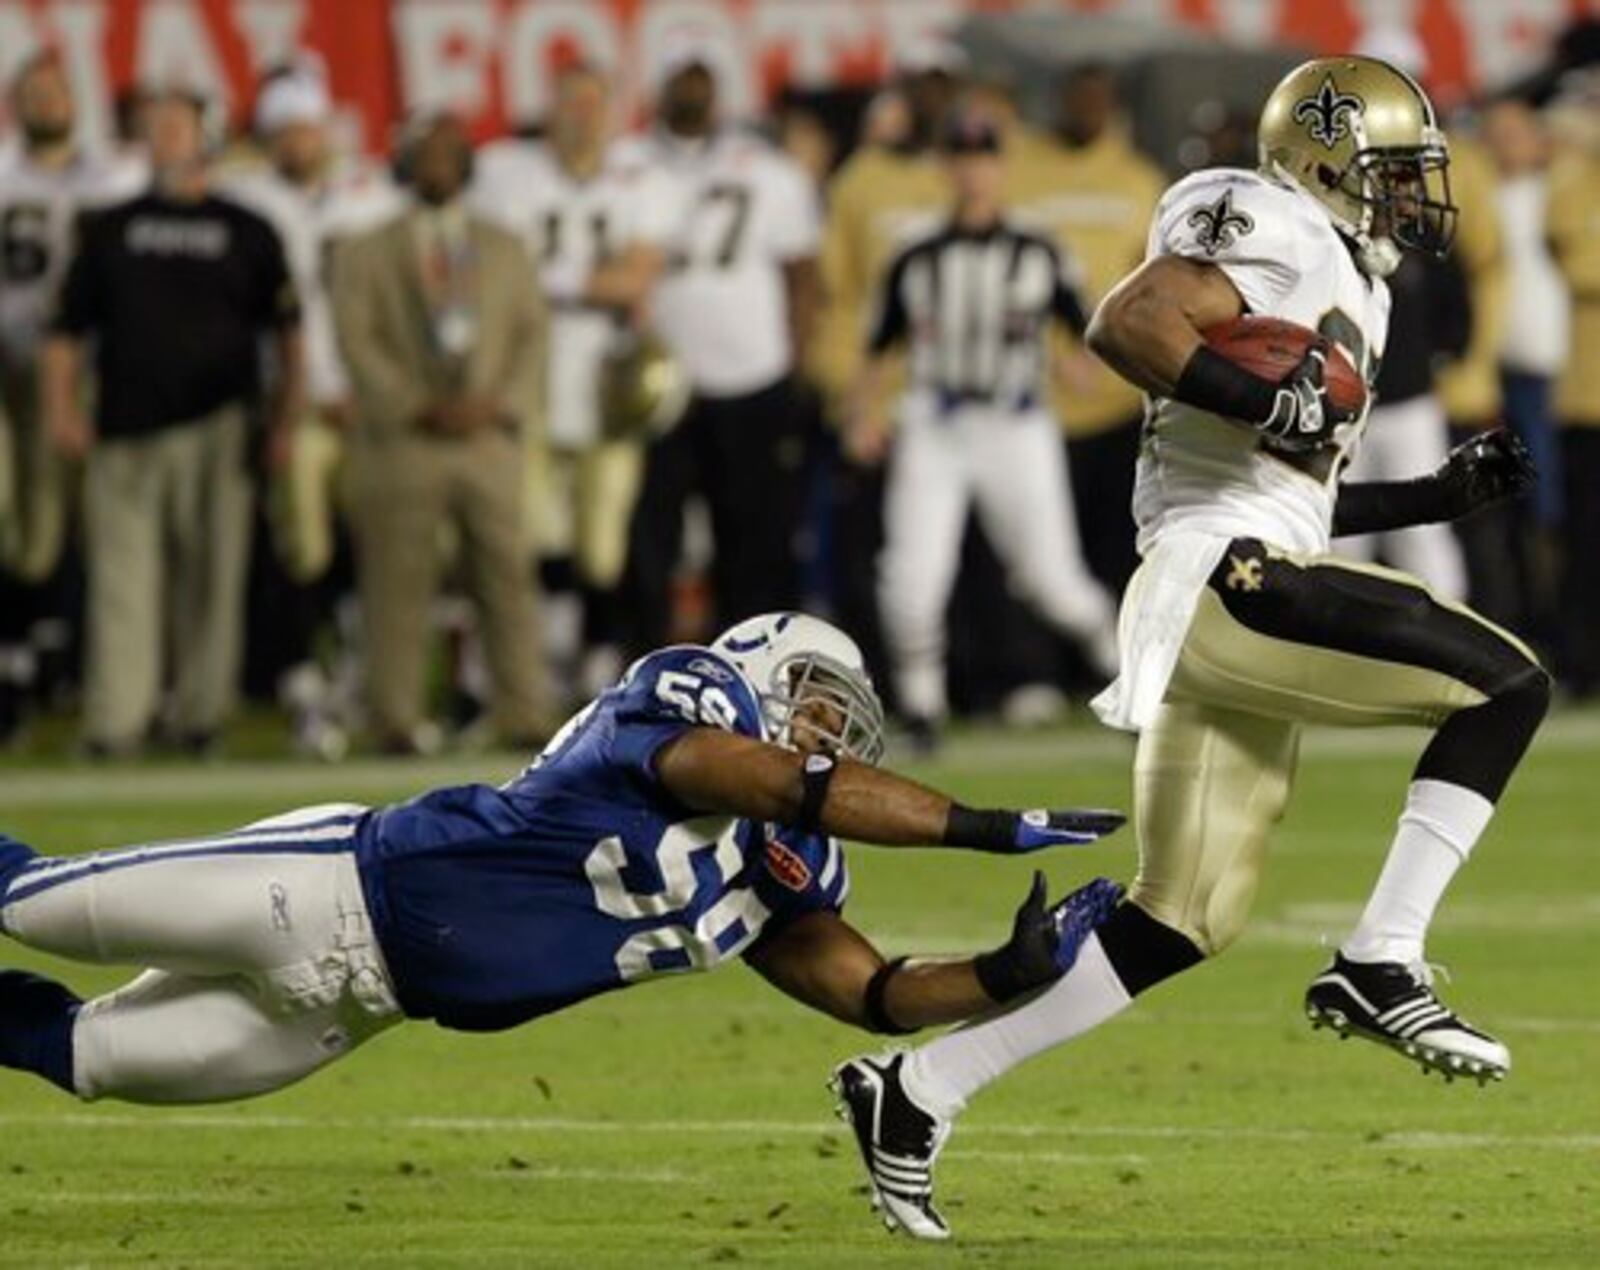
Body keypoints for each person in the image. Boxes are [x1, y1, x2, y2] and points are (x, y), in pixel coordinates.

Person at [830, 56, 1548, 1241]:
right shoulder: (1265, 216)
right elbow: (1130, 321)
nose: (1414, 197)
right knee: (1506, 684)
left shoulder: (1345, 284)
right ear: (1325, 164)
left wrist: (1430, 495)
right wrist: (1268, 401)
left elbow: (1297, 490)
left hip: (1234, 576)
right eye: (1391, 173)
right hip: (1225, 586)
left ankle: (917, 1091)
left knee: (1181, 916)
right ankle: (1382, 955)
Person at [0, 612, 1124, 1112]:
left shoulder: (776, 872)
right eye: (821, 710)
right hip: (321, 889)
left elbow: (873, 995)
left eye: (844, 728)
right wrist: (980, 826)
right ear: (764, 673)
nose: (829, 739)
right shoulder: (685, 700)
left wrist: (1001, 972)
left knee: (85, 1058)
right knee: (27, 902)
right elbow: (777, 781)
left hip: (355, 1008)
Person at [42, 86, 302, 758]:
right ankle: (116, 721)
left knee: (211, 580)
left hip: (221, 424)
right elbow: (66, 331)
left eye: (178, 127)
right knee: (122, 583)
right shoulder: (110, 228)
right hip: (125, 425)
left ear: (206, 137)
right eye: (154, 128)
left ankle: (200, 716)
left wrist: (285, 421)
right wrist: (61, 408)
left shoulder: (249, 229)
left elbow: (288, 335)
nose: (164, 139)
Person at [844, 111, 1118, 748]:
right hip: (936, 423)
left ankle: (1120, 672)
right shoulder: (915, 252)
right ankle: (922, 707)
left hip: (1017, 424)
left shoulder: (1039, 248)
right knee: (913, 577)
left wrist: (1082, 369)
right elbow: (878, 345)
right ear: (944, 166)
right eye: (960, 157)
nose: (972, 170)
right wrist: (862, 413)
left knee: (1055, 581)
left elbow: (1085, 328)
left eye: (983, 156)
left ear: (1001, 165)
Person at [333, 112, 548, 754]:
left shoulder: (505, 245)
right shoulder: (365, 248)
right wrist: (413, 404)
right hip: (405, 440)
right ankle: (393, 718)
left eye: (448, 153)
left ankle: (525, 713)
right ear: (401, 163)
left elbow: (533, 335)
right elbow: (356, 340)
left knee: (507, 579)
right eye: (422, 153)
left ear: (467, 163)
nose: (436, 165)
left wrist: (499, 404)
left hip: (487, 439)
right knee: (396, 584)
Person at [472, 62, 679, 700]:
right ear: (551, 109)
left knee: (602, 543)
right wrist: (591, 278)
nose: (583, 115)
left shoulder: (641, 181)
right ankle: (549, 659)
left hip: (606, 381)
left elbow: (637, 278)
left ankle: (591, 652)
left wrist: (547, 278)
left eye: (595, 102)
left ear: (613, 112)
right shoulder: (509, 175)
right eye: (572, 102)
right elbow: (493, 275)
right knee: (536, 532)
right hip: (530, 376)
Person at [222, 59, 403, 758]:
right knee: (299, 546)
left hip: (366, 402)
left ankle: (359, 675)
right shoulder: (247, 198)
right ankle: (304, 682)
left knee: (372, 544)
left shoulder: (370, 193)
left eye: (305, 127)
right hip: (289, 403)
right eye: (283, 131)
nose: (297, 142)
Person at [618, 47, 820, 650]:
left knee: (754, 539)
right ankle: (646, 672)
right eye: (681, 78)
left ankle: (755, 669)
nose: (692, 91)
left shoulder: (764, 167)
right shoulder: (625, 164)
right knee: (649, 537)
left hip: (751, 374)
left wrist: (797, 364)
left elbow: (802, 272)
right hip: (656, 384)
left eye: (701, 78)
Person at [0, 51, 145, 740]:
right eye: (33, 93)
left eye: (55, 92)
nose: (46, 104)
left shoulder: (116, 175)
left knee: (104, 522)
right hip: (13, 368)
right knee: (30, 519)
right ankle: (25, 655)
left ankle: (70, 660)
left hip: (105, 372)